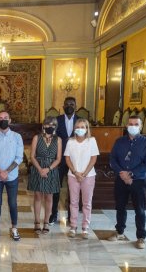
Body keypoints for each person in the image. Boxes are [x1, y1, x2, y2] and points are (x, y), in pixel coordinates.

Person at [108, 116, 146, 249]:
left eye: (136, 124)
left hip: (138, 180)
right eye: (130, 124)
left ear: (140, 127)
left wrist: (131, 173)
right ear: (126, 125)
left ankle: (140, 237)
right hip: (121, 179)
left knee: (139, 209)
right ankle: (120, 232)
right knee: (120, 207)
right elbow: (113, 159)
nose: (132, 126)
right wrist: (122, 173)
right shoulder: (119, 141)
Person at [0, 110, 23, 241]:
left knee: (12, 203)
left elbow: (19, 158)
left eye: (5, 118)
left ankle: (14, 228)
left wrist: (6, 172)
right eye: (0, 118)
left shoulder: (17, 137)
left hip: (12, 176)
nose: (3, 120)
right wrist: (0, 172)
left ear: (10, 120)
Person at [64, 118, 99, 239]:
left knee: (86, 203)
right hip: (73, 175)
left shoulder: (92, 141)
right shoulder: (70, 141)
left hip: (88, 176)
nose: (80, 129)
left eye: (82, 127)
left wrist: (83, 174)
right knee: (73, 202)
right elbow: (67, 158)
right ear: (74, 129)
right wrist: (75, 172)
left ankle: (85, 227)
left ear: (87, 129)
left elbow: (93, 158)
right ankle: (73, 226)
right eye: (77, 127)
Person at [28, 116, 62, 235]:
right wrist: (40, 169)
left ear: (55, 127)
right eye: (47, 125)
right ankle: (37, 221)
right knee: (37, 196)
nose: (50, 127)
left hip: (51, 170)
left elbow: (58, 159)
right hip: (38, 168)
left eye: (52, 125)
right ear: (43, 126)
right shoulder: (36, 138)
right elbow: (32, 156)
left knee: (49, 197)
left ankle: (46, 222)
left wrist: (48, 169)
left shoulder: (58, 139)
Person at [50, 96, 79, 225]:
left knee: (73, 188)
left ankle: (71, 216)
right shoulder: (57, 120)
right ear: (63, 106)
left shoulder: (81, 121)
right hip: (60, 159)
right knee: (56, 186)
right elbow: (52, 138)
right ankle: (53, 214)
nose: (69, 106)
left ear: (75, 106)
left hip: (75, 160)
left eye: (72, 104)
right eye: (67, 104)